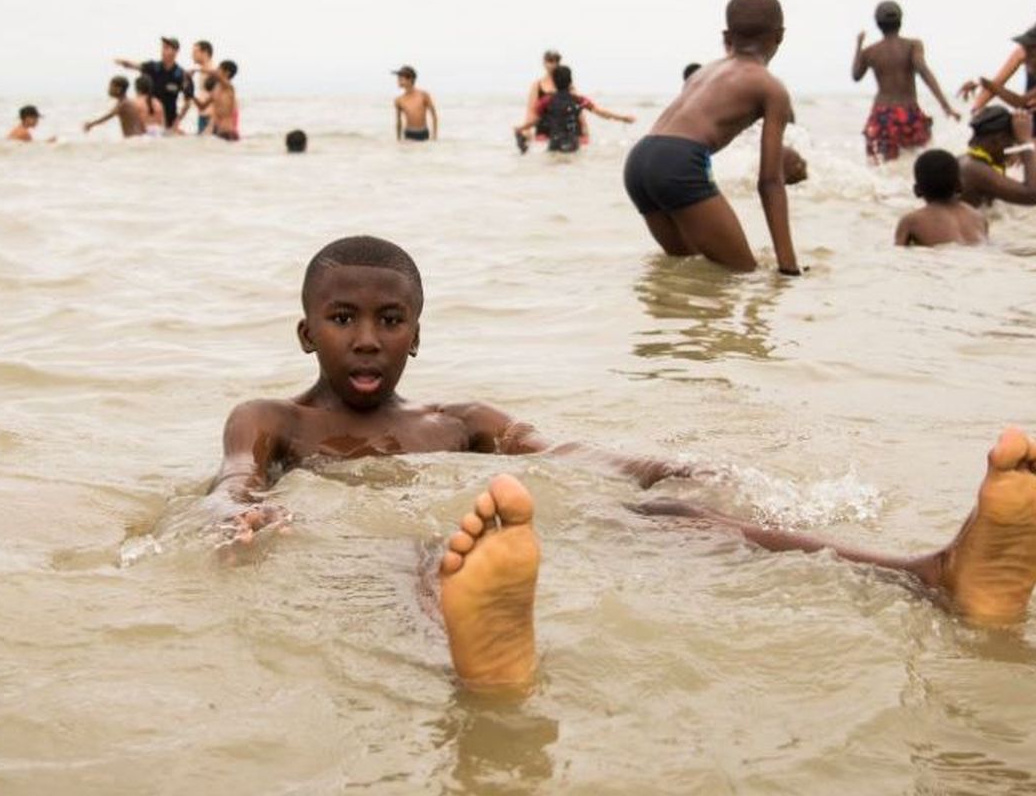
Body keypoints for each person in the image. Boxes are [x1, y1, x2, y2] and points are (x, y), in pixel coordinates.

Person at [209, 236, 1036, 692]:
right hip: (385, 539)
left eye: (390, 319)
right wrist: (242, 513)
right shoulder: (275, 419)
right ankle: (477, 658)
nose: (366, 338)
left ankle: (929, 574)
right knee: (423, 556)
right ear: (306, 332)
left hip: (518, 522)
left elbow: (569, 456)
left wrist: (668, 466)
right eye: (342, 318)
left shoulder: (458, 422)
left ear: (417, 334)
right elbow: (233, 478)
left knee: (674, 521)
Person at [623, 0, 801, 274]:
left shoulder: (702, 73)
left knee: (688, 269)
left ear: (727, 36)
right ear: (780, 36)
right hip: (678, 162)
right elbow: (770, 181)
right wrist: (788, 266)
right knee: (741, 273)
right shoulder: (771, 87)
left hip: (639, 161)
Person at [853, 1, 960, 163]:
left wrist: (858, 46)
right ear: (901, 20)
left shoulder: (870, 51)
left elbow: (856, 75)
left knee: (881, 166)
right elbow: (923, 71)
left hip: (882, 115)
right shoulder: (912, 45)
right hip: (909, 112)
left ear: (877, 23)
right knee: (920, 162)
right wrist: (946, 106)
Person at [513, 65, 634, 153]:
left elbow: (535, 120)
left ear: (554, 82)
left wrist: (521, 128)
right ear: (570, 81)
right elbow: (600, 112)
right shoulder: (578, 100)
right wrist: (623, 118)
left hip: (554, 144)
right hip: (573, 145)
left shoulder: (546, 101)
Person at [894, 149, 988, 246]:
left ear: (917, 190)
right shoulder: (978, 217)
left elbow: (898, 254)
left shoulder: (911, 221)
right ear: (960, 185)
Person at [958, 106, 1036, 208]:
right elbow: (1032, 195)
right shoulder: (974, 169)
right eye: (1012, 143)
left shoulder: (970, 160)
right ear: (998, 141)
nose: (1013, 148)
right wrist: (1025, 142)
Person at [115, 37, 194, 131]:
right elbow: (135, 66)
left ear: (175, 51)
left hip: (170, 122)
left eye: (166, 48)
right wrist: (123, 62)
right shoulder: (153, 67)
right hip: (150, 121)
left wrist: (177, 121)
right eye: (163, 47)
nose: (163, 51)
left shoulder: (181, 75)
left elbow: (188, 102)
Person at [959, 23, 1036, 113]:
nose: (1025, 57)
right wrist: (975, 111)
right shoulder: (1022, 52)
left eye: (1030, 52)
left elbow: (1020, 102)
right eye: (1025, 49)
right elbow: (997, 83)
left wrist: (984, 82)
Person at [519, 50, 563, 147]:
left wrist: (584, 129)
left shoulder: (566, 83)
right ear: (544, 63)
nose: (553, 64)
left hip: (562, 127)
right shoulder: (537, 85)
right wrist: (527, 129)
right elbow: (531, 109)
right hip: (542, 128)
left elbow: (577, 106)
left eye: (556, 61)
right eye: (550, 61)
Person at [393, 66, 438, 142]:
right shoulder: (399, 100)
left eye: (400, 79)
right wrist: (398, 139)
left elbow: (434, 116)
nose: (398, 81)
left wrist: (434, 136)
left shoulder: (423, 95)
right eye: (398, 79)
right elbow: (399, 121)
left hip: (423, 132)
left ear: (410, 79)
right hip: (408, 133)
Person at [200, 60, 239, 141]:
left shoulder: (229, 87)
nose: (216, 70)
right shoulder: (216, 89)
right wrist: (191, 96)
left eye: (219, 69)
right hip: (218, 133)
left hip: (229, 132)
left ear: (227, 73)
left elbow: (215, 75)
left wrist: (196, 70)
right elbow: (202, 106)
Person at [189, 40, 215, 134]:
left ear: (205, 53)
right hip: (203, 115)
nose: (192, 55)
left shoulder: (212, 71)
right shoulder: (202, 71)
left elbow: (217, 98)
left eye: (195, 52)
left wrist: (211, 123)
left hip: (210, 117)